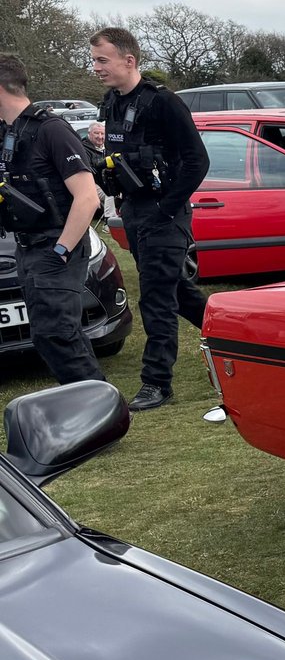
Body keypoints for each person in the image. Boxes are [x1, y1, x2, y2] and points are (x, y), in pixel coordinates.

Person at [88, 28, 209, 410]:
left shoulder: (164, 103)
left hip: (164, 213)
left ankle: (157, 382)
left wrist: (167, 208)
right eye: (93, 60)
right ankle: (234, 333)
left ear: (129, 60)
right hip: (136, 211)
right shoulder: (110, 103)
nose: (96, 68)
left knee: (156, 298)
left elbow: (197, 161)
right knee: (174, 289)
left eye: (102, 60)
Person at [0, 53, 105, 385]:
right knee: (50, 335)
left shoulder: (51, 130)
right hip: (27, 246)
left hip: (57, 245)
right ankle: (96, 407)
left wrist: (61, 251)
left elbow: (87, 198)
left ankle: (98, 411)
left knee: (57, 333)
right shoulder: (8, 133)